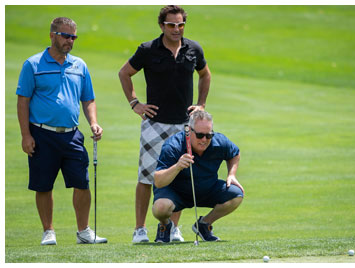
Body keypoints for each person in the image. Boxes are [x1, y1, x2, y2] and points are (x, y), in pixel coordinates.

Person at [119, 5, 211, 243]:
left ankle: (173, 228)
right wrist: (135, 103)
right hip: (154, 124)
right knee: (147, 177)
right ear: (162, 26)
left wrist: (200, 104)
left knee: (180, 176)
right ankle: (140, 230)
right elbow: (124, 73)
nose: (176, 29)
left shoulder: (193, 49)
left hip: (184, 125)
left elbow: (205, 74)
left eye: (180, 24)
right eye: (171, 25)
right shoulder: (148, 49)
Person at [16, 17, 107, 245]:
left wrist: (93, 122)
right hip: (42, 133)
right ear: (52, 35)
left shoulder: (79, 65)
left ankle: (84, 231)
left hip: (72, 134)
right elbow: (23, 101)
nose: (70, 41)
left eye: (73, 37)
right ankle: (48, 231)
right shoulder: (33, 65)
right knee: (43, 184)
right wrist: (26, 135)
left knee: (82, 182)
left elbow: (88, 99)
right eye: (65, 36)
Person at [152, 110, 244, 242]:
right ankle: (165, 226)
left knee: (236, 194)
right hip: (175, 192)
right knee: (160, 208)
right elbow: (159, 181)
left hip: (206, 189)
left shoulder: (219, 141)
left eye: (209, 135)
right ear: (189, 131)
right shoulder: (173, 145)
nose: (205, 140)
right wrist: (177, 166)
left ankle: (204, 224)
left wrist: (232, 174)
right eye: (200, 135)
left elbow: (235, 154)